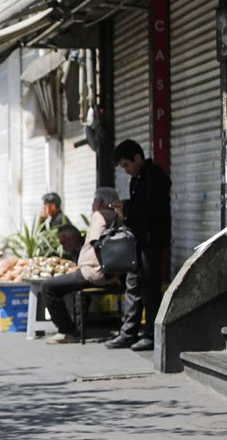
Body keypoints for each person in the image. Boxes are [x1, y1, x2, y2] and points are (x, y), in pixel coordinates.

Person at [105, 139, 171, 351]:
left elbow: (153, 210)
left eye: (127, 165)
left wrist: (128, 211)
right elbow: (140, 206)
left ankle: (151, 335)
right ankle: (128, 333)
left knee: (150, 290)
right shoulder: (138, 178)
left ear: (138, 158)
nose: (126, 171)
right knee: (133, 286)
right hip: (138, 242)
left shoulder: (154, 177)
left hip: (151, 242)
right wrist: (126, 207)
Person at [41, 188, 122, 344]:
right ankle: (73, 325)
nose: (92, 204)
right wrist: (113, 274)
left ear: (99, 202)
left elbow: (98, 244)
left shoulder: (99, 215)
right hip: (105, 273)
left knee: (48, 287)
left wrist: (107, 274)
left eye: (94, 201)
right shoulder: (117, 217)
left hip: (92, 273)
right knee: (62, 284)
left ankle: (67, 331)